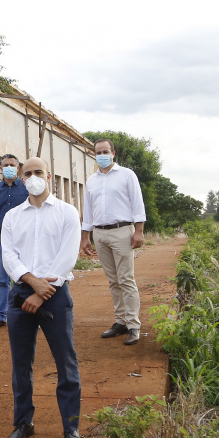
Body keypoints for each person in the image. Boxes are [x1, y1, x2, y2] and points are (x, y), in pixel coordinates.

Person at [1, 157, 83, 438]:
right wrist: (31, 283)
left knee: (65, 362)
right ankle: (23, 422)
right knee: (21, 364)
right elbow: (8, 256)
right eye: (28, 173)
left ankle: (71, 427)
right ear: (21, 178)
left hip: (55, 295)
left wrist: (42, 291)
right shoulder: (12, 216)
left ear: (48, 176)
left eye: (39, 172)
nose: (33, 177)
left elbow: (68, 256)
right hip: (21, 294)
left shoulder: (67, 212)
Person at [80, 138, 146, 346]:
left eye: (105, 151)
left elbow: (137, 203)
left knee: (126, 279)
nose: (102, 155)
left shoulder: (126, 175)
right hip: (100, 233)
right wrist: (85, 236)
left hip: (122, 232)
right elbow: (88, 209)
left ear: (113, 153)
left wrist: (139, 231)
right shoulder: (92, 180)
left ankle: (133, 325)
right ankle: (121, 321)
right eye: (98, 152)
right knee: (113, 280)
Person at [0, 154, 29, 331]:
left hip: (24, 242)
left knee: (25, 279)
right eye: (5, 165)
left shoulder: (26, 188)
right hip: (0, 242)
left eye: (12, 165)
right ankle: (1, 316)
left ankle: (27, 316)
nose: (9, 167)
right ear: (0, 168)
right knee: (2, 280)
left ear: (18, 168)